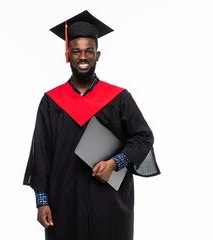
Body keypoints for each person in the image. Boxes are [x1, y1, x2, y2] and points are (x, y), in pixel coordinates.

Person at [23, 10, 160, 240]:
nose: (83, 57)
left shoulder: (118, 98)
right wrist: (42, 202)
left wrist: (115, 163)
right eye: (76, 51)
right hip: (63, 204)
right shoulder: (51, 102)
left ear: (98, 55)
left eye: (88, 51)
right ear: (68, 54)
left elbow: (143, 137)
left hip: (110, 205)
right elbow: (42, 155)